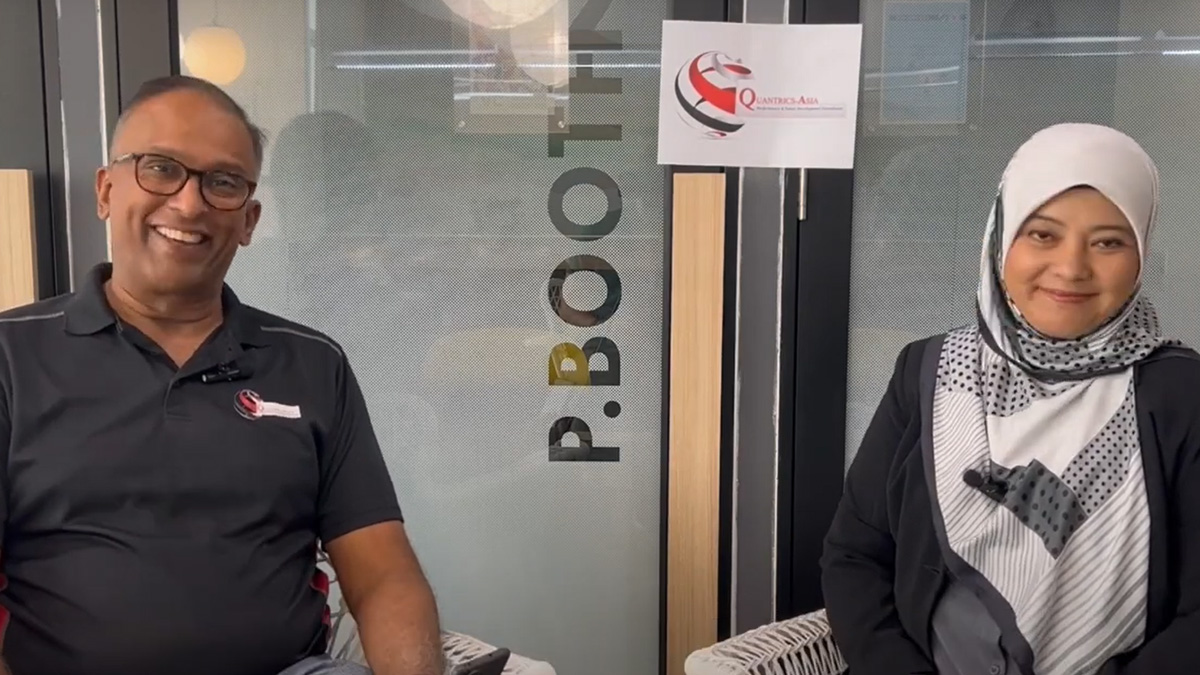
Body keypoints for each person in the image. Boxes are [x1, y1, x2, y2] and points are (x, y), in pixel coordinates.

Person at [0, 75, 443, 675]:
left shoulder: (312, 364)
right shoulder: (12, 357)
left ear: (250, 220)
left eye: (224, 182)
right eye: (161, 169)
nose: (189, 204)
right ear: (106, 190)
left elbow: (384, 575)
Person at [821, 123, 1200, 675]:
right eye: (1043, 235)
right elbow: (855, 556)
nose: (1071, 268)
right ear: (1001, 241)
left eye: (1108, 242)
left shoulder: (1181, 395)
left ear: (1141, 253)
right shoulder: (929, 371)